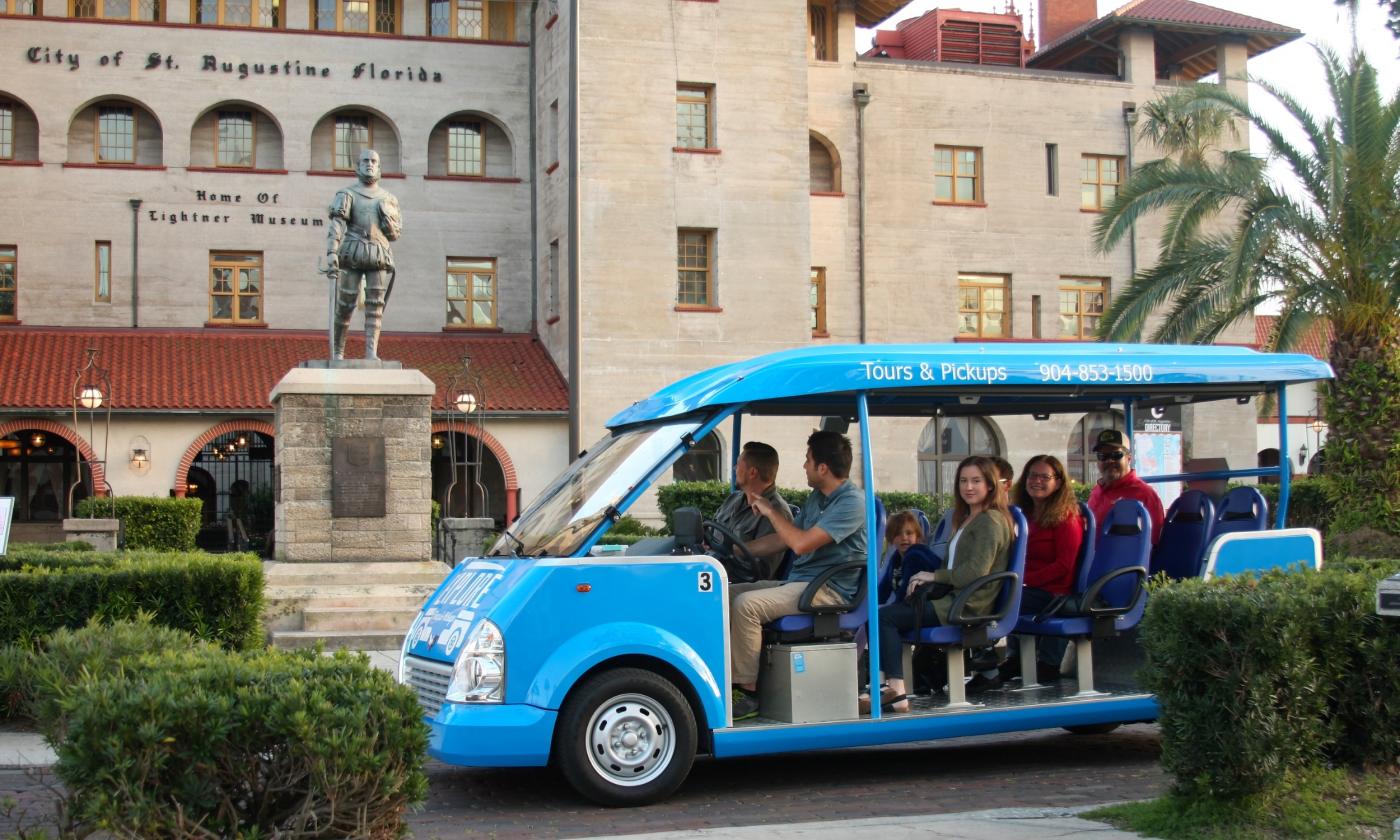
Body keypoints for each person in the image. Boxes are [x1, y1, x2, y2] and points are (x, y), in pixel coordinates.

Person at [728, 431, 867, 720]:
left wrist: (770, 512)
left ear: (823, 468)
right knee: (723, 595)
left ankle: (748, 691)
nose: (804, 466)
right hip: (802, 583)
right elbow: (783, 539)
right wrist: (740, 550)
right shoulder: (817, 498)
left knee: (746, 605)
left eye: (807, 460)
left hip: (827, 589)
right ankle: (725, 676)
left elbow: (801, 543)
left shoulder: (852, 503)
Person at [866, 455, 1014, 713]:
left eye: (976, 481)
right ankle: (885, 686)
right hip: (952, 597)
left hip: (966, 604)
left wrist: (934, 576)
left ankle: (896, 691)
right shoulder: (968, 518)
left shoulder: (990, 521)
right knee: (883, 616)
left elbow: (975, 572)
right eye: (963, 481)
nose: (968, 487)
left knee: (883, 619)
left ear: (990, 485)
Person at [1000, 454, 1082, 683]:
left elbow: (1064, 565)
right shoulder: (1024, 516)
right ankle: (1013, 659)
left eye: (1045, 477)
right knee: (1001, 593)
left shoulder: (1066, 518)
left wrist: (1025, 580)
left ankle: (1017, 660)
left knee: (1005, 598)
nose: (1037, 481)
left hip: (1053, 593)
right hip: (1028, 587)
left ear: (1058, 482)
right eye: (1032, 475)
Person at [325, 149, 403, 361]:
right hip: (353, 251)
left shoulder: (389, 199)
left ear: (379, 167)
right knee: (345, 304)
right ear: (358, 166)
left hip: (378, 253)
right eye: (365, 161)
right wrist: (332, 251)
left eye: (373, 161)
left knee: (375, 306)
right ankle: (338, 352)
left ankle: (371, 352)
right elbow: (337, 225)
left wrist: (388, 221)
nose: (369, 164)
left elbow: (395, 234)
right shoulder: (347, 194)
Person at [709, 441, 792, 581]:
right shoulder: (733, 499)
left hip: (734, 581)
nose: (734, 468)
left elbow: (761, 572)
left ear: (752, 472)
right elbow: (710, 532)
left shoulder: (776, 513)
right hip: (712, 567)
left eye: (738, 464)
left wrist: (724, 561)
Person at [1086, 430, 1165, 545]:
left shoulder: (1145, 495)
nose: (1109, 461)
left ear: (1129, 458)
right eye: (1102, 456)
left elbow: (1154, 543)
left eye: (1116, 455)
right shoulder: (1096, 491)